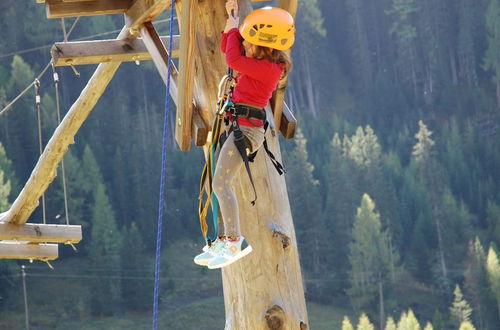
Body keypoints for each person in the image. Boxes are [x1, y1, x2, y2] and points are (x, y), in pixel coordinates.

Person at [194, 0, 294, 269]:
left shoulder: (268, 69)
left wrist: (234, 29)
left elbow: (232, 59)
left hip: (246, 131)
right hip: (240, 126)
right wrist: (232, 24)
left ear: (262, 46)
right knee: (217, 184)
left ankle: (233, 241)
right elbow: (235, 57)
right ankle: (224, 240)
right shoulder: (263, 64)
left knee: (220, 184)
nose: (245, 45)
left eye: (249, 42)